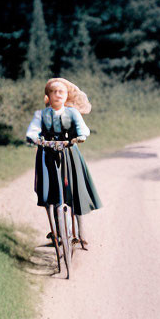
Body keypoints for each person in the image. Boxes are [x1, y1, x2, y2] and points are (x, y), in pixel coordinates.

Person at [26, 77, 102, 246]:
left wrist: (81, 136)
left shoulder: (72, 113)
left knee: (75, 189)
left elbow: (82, 128)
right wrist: (33, 138)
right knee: (49, 191)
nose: (58, 95)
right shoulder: (41, 114)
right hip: (47, 153)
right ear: (48, 95)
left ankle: (81, 232)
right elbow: (33, 130)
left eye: (61, 92)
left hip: (69, 152)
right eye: (54, 92)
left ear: (66, 95)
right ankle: (56, 231)